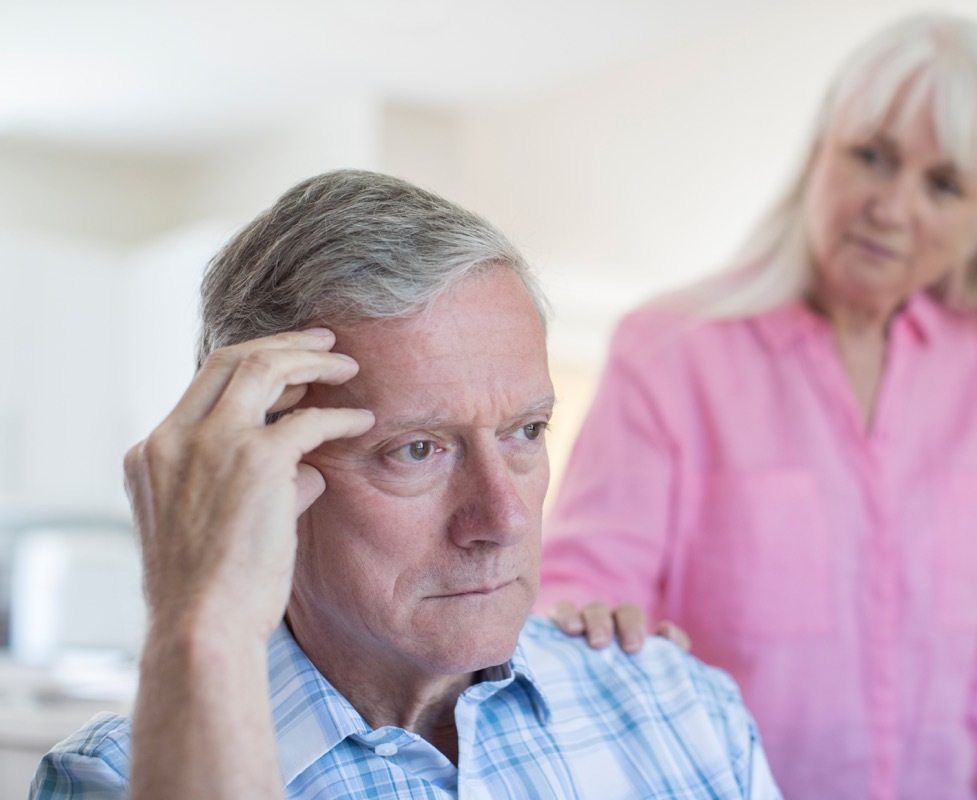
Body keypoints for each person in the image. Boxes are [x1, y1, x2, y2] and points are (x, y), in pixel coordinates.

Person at [30, 170, 781, 799]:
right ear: (256, 472)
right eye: (417, 450)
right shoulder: (116, 778)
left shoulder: (679, 705)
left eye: (526, 432)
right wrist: (202, 623)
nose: (502, 518)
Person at [540, 14, 977, 800]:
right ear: (820, 152)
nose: (892, 206)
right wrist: (584, 620)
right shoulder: (667, 352)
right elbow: (582, 599)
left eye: (944, 185)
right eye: (873, 157)